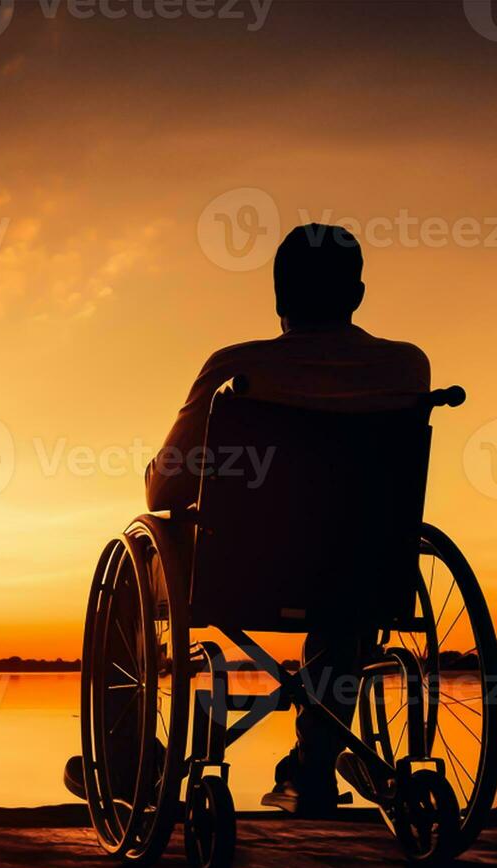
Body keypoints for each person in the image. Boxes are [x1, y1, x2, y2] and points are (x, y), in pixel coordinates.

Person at [63, 223, 430, 815]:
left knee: (126, 577)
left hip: (236, 572)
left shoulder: (237, 367)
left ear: (280, 299)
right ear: (358, 294)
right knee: (349, 575)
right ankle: (313, 768)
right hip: (362, 571)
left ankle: (129, 761)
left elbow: (166, 489)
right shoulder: (407, 369)